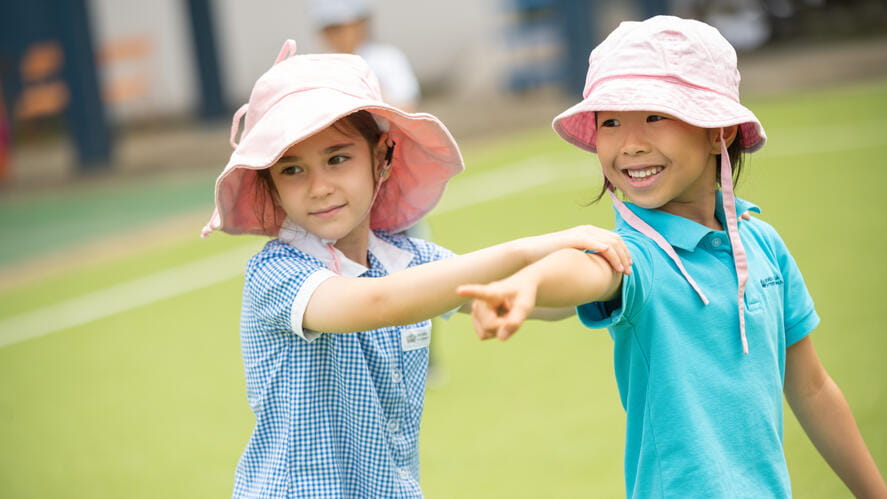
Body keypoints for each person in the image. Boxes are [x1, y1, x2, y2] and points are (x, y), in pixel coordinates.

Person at [457, 16, 887, 498]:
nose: (631, 143)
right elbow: (589, 268)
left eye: (655, 116)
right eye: (611, 121)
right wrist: (530, 282)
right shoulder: (638, 256)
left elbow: (811, 388)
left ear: (718, 131)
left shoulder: (763, 244)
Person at [201, 40, 631, 497]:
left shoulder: (406, 258)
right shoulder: (277, 271)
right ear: (270, 182)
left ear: (382, 156)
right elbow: (379, 302)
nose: (319, 187)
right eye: (292, 170)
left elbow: (548, 304)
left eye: (338, 158)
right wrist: (527, 251)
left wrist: (597, 269)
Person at [312, 0, 420, 111]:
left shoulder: (386, 59)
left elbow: (407, 109)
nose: (336, 36)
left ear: (361, 24)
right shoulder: (319, 69)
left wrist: (371, 93)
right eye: (330, 30)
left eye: (340, 28)